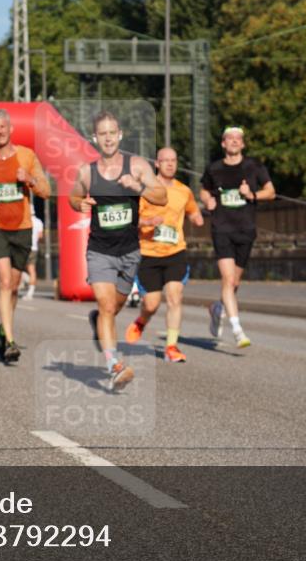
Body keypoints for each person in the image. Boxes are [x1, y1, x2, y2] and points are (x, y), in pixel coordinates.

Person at [69, 111, 166, 391]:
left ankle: (98, 322)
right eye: (103, 133)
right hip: (99, 249)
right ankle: (114, 366)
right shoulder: (87, 171)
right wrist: (79, 204)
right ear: (95, 138)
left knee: (115, 306)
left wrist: (138, 187)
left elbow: (161, 196)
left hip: (129, 250)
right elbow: (74, 195)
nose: (108, 138)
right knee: (107, 305)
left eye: (112, 132)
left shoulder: (136, 165)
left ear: (120, 134)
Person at [0, 109, 51, 363]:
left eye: (3, 127)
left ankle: (3, 328)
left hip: (22, 227)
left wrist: (28, 179)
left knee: (15, 286)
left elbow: (46, 191)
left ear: (11, 128)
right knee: (5, 282)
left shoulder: (27, 156)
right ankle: (9, 339)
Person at [124, 147, 204, 362]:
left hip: (175, 250)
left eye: (173, 160)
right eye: (165, 160)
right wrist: (148, 222)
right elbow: (131, 220)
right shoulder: (145, 190)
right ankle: (141, 320)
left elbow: (192, 210)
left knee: (175, 297)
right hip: (148, 253)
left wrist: (197, 217)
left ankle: (171, 347)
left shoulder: (184, 191)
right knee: (151, 304)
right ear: (156, 164)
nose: (170, 164)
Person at [200, 126, 275, 348]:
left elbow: (271, 191)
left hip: (245, 229)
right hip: (221, 228)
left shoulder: (253, 166)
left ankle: (216, 309)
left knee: (235, 283)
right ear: (223, 143)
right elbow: (204, 189)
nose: (234, 141)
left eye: (238, 139)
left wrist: (251, 194)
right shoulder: (214, 168)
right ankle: (237, 329)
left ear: (242, 144)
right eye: (229, 138)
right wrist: (207, 200)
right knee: (228, 280)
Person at [21, 211, 44, 300]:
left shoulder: (24, 220)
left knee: (19, 267)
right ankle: (31, 291)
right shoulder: (38, 222)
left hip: (24, 247)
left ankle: (26, 282)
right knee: (32, 269)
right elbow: (40, 236)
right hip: (34, 247)